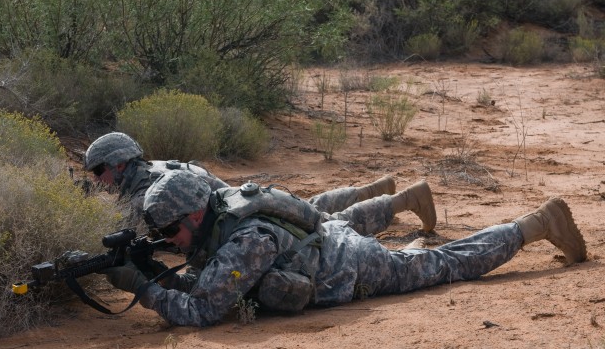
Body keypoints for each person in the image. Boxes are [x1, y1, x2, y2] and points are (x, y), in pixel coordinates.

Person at [100, 170, 588, 327]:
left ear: (193, 216)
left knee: (444, 265)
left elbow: (204, 310)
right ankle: (406, 216)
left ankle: (535, 226)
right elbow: (211, 283)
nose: (169, 244)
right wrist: (157, 270)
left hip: (352, 269)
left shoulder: (244, 239)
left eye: (170, 234)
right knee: (409, 253)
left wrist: (143, 288)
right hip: (329, 243)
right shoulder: (223, 208)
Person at [83, 132, 435, 234]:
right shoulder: (157, 166)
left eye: (99, 172)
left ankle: (407, 199)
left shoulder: (144, 194)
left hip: (244, 217)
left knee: (329, 228)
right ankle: (373, 189)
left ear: (119, 164)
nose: (98, 181)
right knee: (310, 207)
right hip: (247, 200)